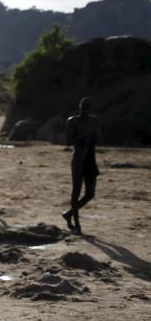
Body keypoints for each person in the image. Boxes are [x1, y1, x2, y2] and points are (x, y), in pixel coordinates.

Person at [62, 97, 101, 236]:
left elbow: (98, 138)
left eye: (88, 108)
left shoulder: (94, 120)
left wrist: (93, 136)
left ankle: (69, 214)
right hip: (78, 159)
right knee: (76, 191)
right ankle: (77, 224)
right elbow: (67, 140)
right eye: (83, 108)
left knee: (90, 193)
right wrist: (80, 138)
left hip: (90, 159)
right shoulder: (72, 121)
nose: (85, 110)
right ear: (79, 108)